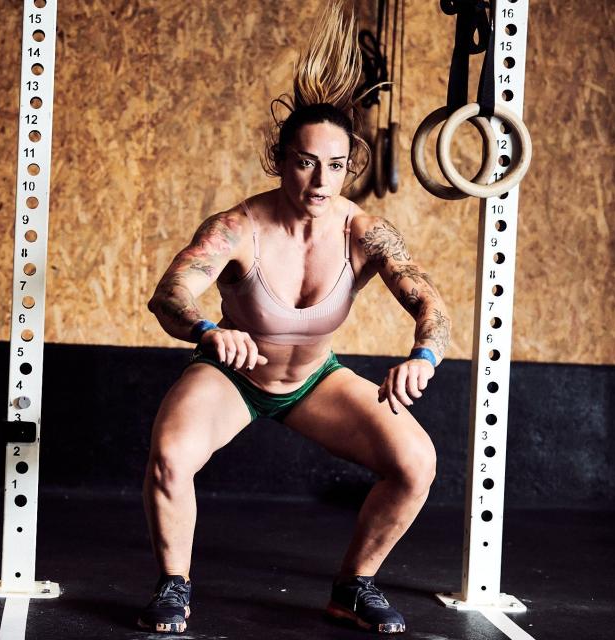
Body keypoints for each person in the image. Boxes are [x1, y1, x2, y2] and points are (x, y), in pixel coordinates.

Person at [138, 2, 451, 634]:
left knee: (417, 461)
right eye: (306, 161)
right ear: (281, 158)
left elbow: (430, 305)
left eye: (335, 166)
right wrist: (208, 330)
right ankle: (174, 586)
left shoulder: (366, 232)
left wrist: (423, 358)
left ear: (349, 168)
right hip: (236, 375)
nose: (319, 179)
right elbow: (170, 294)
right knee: (171, 454)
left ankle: (353, 587)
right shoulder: (238, 228)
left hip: (314, 382)